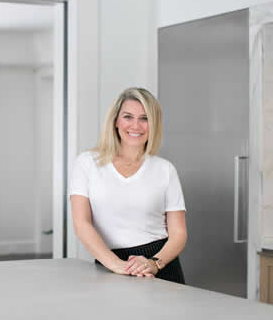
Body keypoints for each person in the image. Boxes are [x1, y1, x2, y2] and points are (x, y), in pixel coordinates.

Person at [69, 87, 187, 283]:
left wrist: (154, 263)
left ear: (154, 124)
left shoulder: (165, 169)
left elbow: (179, 233)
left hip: (160, 268)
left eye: (144, 118)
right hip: (110, 266)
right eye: (128, 117)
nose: (136, 125)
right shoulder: (87, 163)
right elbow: (81, 224)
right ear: (116, 121)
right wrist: (115, 264)